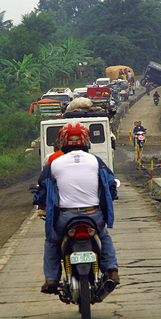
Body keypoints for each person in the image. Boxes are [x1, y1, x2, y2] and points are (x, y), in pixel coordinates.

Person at [33, 122, 119, 294]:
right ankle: (112, 271)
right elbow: (110, 183)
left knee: (52, 241)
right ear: (86, 140)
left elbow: (42, 187)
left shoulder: (55, 163)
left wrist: (38, 200)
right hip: (93, 215)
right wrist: (112, 196)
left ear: (62, 141)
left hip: (65, 218)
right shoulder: (96, 161)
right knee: (104, 236)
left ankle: (51, 279)